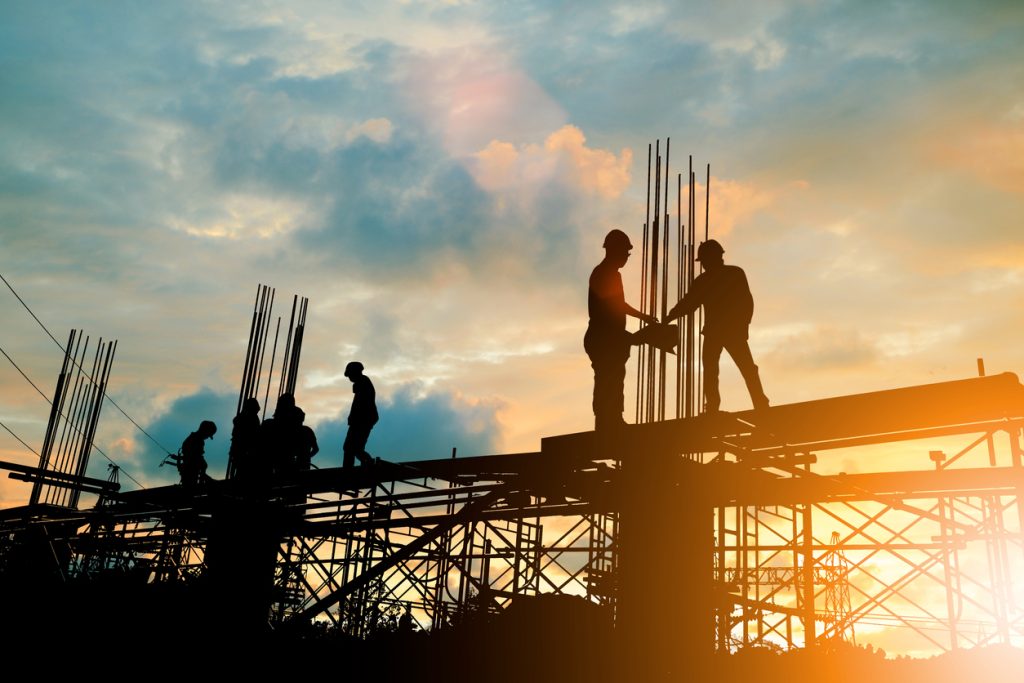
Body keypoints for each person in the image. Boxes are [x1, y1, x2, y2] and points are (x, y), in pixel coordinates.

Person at [665, 239, 769, 413]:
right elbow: (690, 303)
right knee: (719, 370)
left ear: (714, 257)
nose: (704, 264)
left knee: (734, 369)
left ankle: (756, 403)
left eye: (705, 260)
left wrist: (743, 326)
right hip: (721, 331)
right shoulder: (720, 277)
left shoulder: (728, 275)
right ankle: (751, 403)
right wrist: (671, 315)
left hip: (726, 331)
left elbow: (745, 302)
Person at [585, 229, 657, 430]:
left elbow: (617, 305)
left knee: (614, 379)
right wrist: (643, 321)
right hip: (603, 338)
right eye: (625, 252)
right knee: (608, 379)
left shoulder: (610, 273)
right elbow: (615, 306)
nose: (626, 257)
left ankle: (612, 420)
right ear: (614, 250)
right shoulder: (605, 274)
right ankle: (606, 423)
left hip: (609, 338)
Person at [343, 361, 378, 468]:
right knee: (352, 448)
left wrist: (353, 419)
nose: (349, 378)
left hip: (362, 420)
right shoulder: (362, 383)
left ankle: (365, 465)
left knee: (351, 448)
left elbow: (360, 405)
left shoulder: (363, 384)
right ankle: (366, 464)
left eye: (350, 375)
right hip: (362, 420)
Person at [228, 397, 261, 480]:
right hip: (245, 451)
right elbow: (254, 436)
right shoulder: (251, 419)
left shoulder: (240, 419)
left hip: (239, 450)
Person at [179, 420, 216, 488]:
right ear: (205, 431)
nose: (207, 437)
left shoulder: (194, 439)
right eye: (208, 434)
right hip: (190, 473)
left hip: (190, 472)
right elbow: (195, 458)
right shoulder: (197, 441)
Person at [295, 407, 319, 471]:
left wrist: (306, 457)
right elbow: (316, 449)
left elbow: (316, 449)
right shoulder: (307, 430)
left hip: (304, 464)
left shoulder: (307, 431)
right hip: (301, 463)